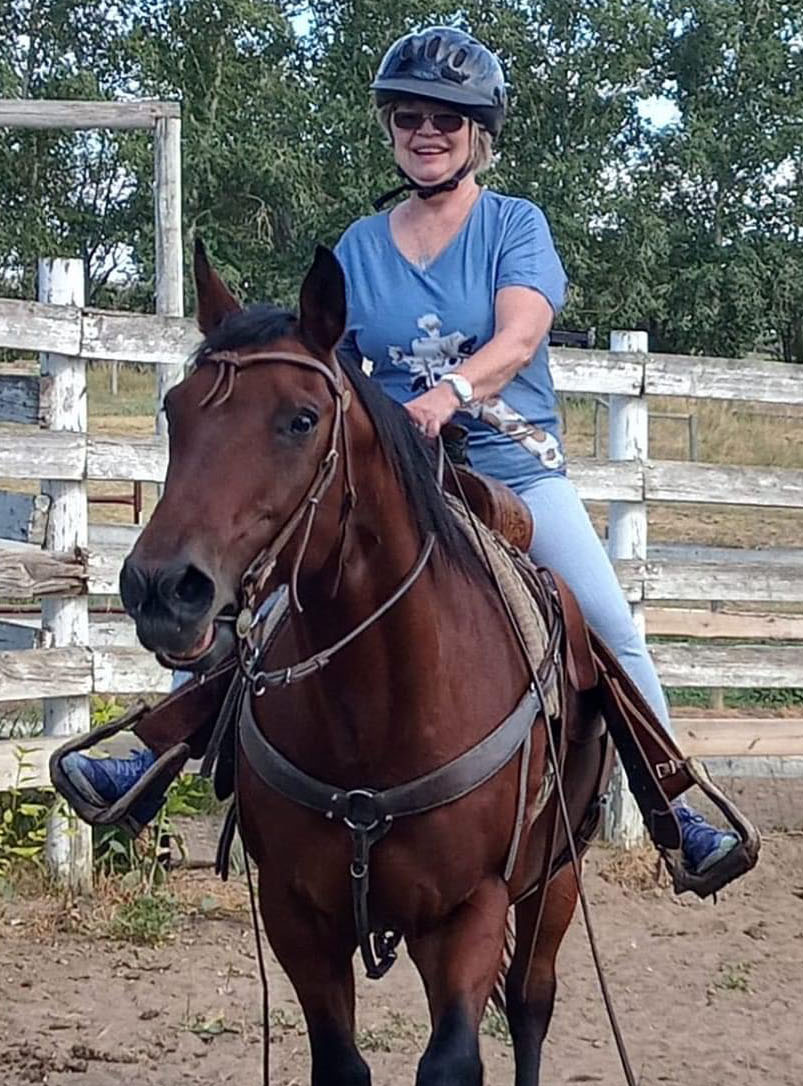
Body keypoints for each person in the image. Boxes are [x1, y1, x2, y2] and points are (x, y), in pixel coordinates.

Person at [62, 27, 740, 879]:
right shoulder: (358, 246)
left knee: (604, 625)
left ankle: (678, 812)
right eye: (409, 116)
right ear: (390, 128)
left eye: (447, 121)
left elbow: (521, 332)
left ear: (477, 135)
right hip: (385, 477)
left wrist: (450, 393)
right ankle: (149, 758)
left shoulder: (511, 226)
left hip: (509, 472)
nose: (426, 131)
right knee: (268, 599)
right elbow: (325, 371)